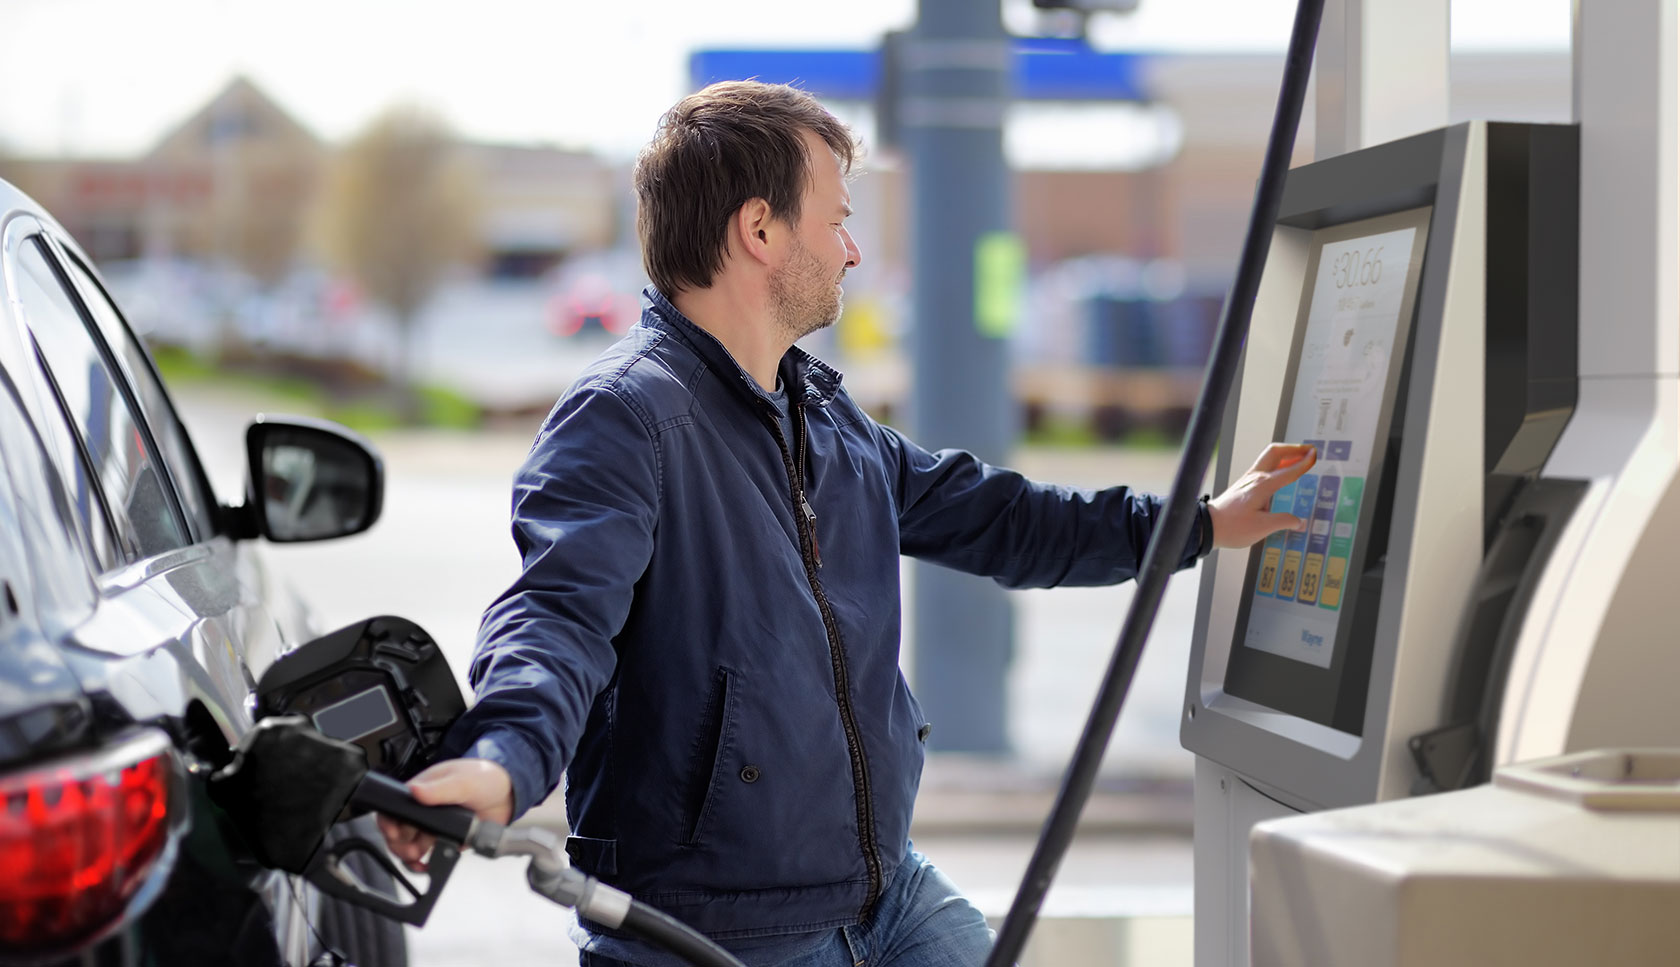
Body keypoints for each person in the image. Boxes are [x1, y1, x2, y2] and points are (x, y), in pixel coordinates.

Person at [379, 80, 1315, 967]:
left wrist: (1200, 523)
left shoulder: (822, 418)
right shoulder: (626, 419)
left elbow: (1005, 520)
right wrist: (502, 756)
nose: (851, 252)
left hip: (885, 894)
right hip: (717, 928)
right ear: (758, 230)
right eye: (836, 221)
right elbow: (555, 617)